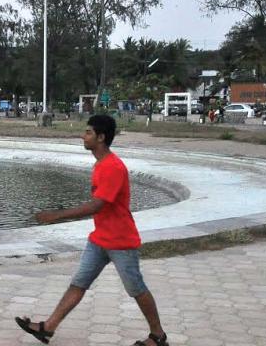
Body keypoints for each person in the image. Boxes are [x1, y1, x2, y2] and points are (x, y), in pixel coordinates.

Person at [15, 115, 168, 346]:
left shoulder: (113, 167)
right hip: (100, 240)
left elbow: (98, 205)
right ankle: (48, 328)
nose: (82, 136)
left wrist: (56, 216)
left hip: (120, 241)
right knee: (79, 283)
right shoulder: (100, 164)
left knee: (136, 289)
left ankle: (158, 336)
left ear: (101, 137)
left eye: (87, 132)